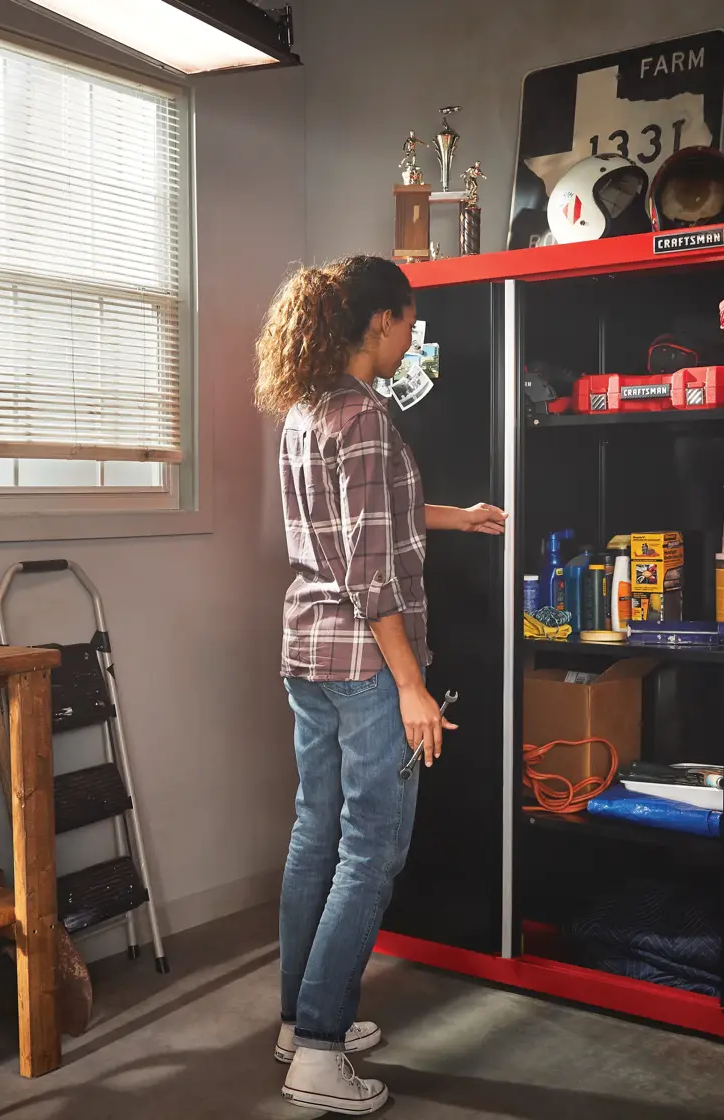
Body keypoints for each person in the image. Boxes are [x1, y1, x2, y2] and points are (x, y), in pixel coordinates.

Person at [254, 255, 506, 1114]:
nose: (411, 338)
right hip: (365, 663)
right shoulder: (363, 414)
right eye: (408, 323)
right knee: (371, 852)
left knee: (315, 836)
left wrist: (459, 516)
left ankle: (298, 1019)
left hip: (307, 653)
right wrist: (412, 688)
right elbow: (371, 572)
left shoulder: (307, 407)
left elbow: (359, 516)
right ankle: (319, 1053)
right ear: (381, 323)